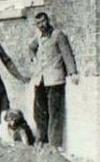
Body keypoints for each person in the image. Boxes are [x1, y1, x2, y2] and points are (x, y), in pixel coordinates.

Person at [24, 11, 79, 148]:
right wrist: (33, 57)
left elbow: (67, 53)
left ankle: (54, 145)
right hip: (40, 80)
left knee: (55, 113)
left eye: (43, 22)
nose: (41, 25)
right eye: (38, 23)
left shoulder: (58, 35)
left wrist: (72, 72)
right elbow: (31, 48)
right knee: (39, 112)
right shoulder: (38, 37)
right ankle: (42, 141)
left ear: (48, 20)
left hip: (55, 79)